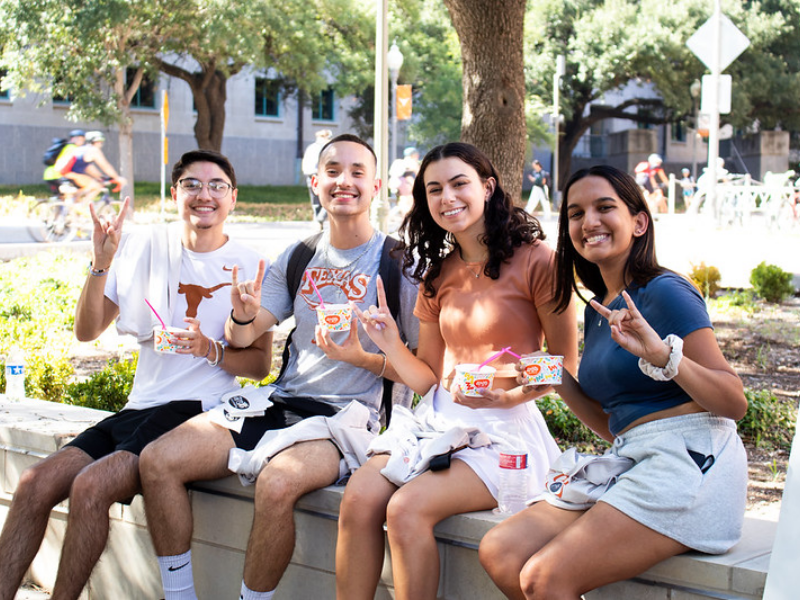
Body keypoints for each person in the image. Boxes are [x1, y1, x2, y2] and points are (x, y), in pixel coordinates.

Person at [138, 133, 420, 600]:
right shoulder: (301, 254)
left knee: (278, 481)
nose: (343, 182)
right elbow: (244, 337)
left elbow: (422, 372)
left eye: (356, 173)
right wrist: (243, 312)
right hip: (282, 401)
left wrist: (360, 356)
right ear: (315, 183)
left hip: (351, 418)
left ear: (377, 187)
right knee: (158, 460)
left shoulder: (400, 264)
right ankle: (179, 595)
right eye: (332, 172)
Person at [0, 149, 271, 600]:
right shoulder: (147, 247)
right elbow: (87, 331)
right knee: (33, 484)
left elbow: (260, 365)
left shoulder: (252, 263)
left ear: (233, 197)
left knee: (91, 487)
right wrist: (102, 263)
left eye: (216, 185)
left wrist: (210, 349)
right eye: (192, 185)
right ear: (174, 193)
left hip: (196, 411)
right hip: (140, 406)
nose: (204, 195)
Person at [479, 165, 748, 599]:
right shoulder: (598, 309)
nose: (589, 222)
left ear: (639, 222)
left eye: (605, 207)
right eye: (576, 213)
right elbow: (614, 425)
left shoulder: (664, 291)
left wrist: (664, 356)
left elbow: (734, 403)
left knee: (545, 577)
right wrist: (556, 377)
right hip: (631, 457)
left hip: (691, 462)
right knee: (500, 550)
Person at [335, 142, 578, 600]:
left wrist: (507, 393)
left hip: (504, 429)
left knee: (405, 509)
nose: (448, 197)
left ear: (487, 187)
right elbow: (428, 377)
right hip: (438, 421)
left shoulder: (539, 260)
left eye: (459, 183)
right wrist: (387, 340)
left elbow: (564, 363)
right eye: (434, 189)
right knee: (360, 497)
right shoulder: (437, 273)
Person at [60, 130, 127, 203]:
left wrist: (101, 177)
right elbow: (105, 166)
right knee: (97, 187)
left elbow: (89, 168)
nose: (101, 144)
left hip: (66, 175)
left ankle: (75, 205)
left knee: (87, 188)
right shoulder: (94, 150)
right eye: (100, 142)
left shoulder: (82, 149)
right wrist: (117, 178)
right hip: (73, 175)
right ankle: (82, 206)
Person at [302, 128, 333, 227]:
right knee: (328, 198)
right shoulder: (326, 149)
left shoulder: (311, 147)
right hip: (320, 175)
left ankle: (318, 220)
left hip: (310, 175)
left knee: (316, 200)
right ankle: (319, 219)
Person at [43, 129, 86, 200]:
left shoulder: (68, 147)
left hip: (49, 174)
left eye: (82, 139)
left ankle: (58, 208)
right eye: (78, 138)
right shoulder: (72, 148)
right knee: (76, 191)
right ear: (72, 139)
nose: (81, 141)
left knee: (61, 197)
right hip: (57, 175)